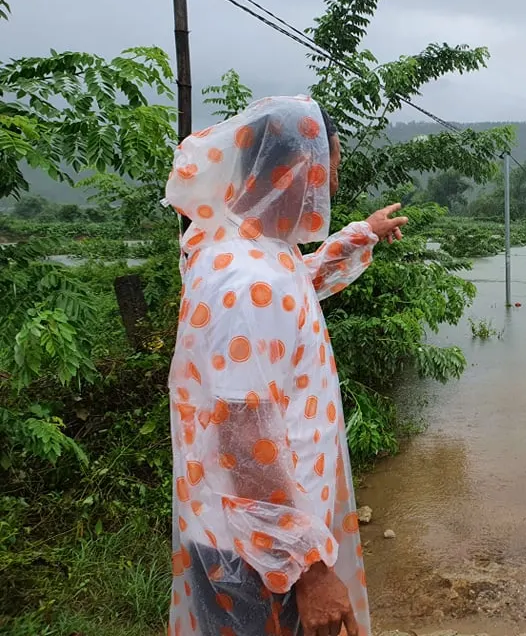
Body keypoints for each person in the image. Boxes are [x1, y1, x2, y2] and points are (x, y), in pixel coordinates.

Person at [164, 95, 407, 636]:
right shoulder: (251, 282)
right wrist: (309, 567)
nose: (333, 186)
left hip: (253, 535)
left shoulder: (246, 249)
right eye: (331, 169)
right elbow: (244, 433)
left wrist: (360, 233)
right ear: (295, 171)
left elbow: (296, 293)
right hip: (259, 556)